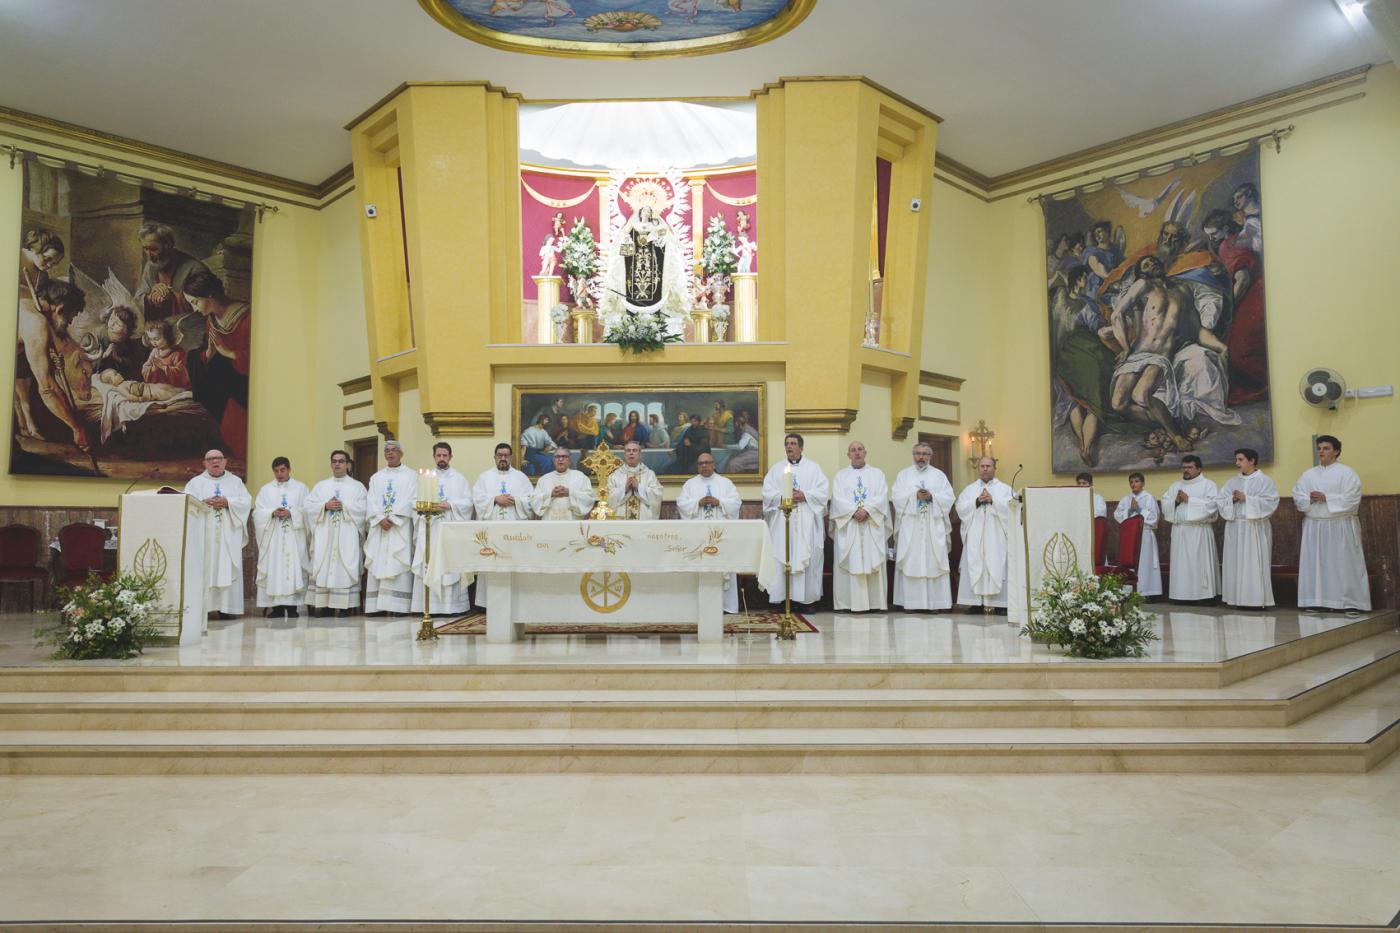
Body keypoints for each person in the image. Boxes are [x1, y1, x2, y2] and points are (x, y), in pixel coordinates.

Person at [1292, 435, 1370, 611]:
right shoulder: (1308, 474)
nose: (1321, 451)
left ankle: (1351, 603)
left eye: (1326, 448)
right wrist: (1309, 499)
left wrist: (1327, 498)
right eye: (1319, 448)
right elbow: (1298, 495)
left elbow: (1352, 498)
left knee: (1344, 564)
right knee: (1317, 565)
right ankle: (1316, 601)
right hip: (1315, 525)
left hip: (1340, 525)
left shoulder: (1347, 473)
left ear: (1336, 451)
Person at [182, 270, 250, 458]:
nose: (194, 309)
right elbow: (209, 351)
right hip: (224, 380)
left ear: (210, 295)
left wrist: (227, 353)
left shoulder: (247, 316)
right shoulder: (211, 321)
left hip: (244, 382)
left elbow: (260, 358)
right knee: (194, 357)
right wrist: (208, 354)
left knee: (220, 364)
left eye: (195, 302)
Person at [760, 433, 829, 607]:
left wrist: (805, 495)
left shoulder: (814, 468)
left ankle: (806, 601)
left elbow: (822, 493)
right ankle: (780, 599)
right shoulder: (776, 469)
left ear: (801, 447)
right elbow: (767, 493)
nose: (789, 447)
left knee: (807, 556)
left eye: (793, 443)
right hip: (782, 521)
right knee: (780, 555)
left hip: (806, 520)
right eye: (787, 444)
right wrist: (786, 495)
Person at [183, 449, 252, 619]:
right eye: (211, 459)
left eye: (219, 459)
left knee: (226, 566)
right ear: (204, 463)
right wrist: (202, 503)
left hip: (228, 536)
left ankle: (226, 608)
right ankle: (203, 609)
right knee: (205, 566)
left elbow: (246, 502)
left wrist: (228, 502)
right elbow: (186, 504)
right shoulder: (195, 483)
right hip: (203, 536)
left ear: (225, 462)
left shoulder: (235, 482)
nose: (215, 462)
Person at [890, 442, 956, 611]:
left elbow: (949, 497)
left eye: (925, 454)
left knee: (933, 562)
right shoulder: (903, 475)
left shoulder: (939, 476)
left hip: (932, 526)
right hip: (911, 527)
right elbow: (896, 497)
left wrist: (932, 496)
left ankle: (935, 604)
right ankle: (910, 603)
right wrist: (915, 496)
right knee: (911, 561)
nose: (921, 457)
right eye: (918, 453)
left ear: (930, 456)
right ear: (913, 455)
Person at [675, 451, 743, 613]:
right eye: (701, 463)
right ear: (697, 466)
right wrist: (697, 503)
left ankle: (727, 606)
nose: (704, 466)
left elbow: (736, 503)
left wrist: (720, 502)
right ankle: (701, 605)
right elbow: (681, 503)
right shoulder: (690, 484)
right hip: (698, 537)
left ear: (714, 464)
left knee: (723, 567)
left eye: (707, 463)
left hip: (721, 537)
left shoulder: (725, 483)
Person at [471, 443, 535, 611]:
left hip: (515, 533)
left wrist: (516, 500)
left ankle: (516, 601)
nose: (503, 458)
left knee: (514, 561)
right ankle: (488, 604)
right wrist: (494, 500)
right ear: (494, 457)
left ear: (512, 457)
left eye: (506, 455)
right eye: (500, 455)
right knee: (491, 562)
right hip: (491, 532)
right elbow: (477, 499)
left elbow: (530, 500)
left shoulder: (521, 477)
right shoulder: (484, 477)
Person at [412, 442, 474, 616]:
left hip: (450, 529)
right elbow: (414, 502)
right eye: (438, 455)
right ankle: (426, 607)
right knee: (429, 561)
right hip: (430, 527)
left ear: (450, 456)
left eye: (444, 455)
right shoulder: (425, 478)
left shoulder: (459, 479)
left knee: (450, 563)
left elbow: (468, 503)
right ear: (434, 457)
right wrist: (428, 507)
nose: (441, 459)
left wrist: (450, 505)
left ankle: (452, 607)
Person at [304, 449, 368, 616]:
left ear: (347, 464)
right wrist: (324, 506)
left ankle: (345, 605)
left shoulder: (357, 487)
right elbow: (309, 507)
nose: (337, 464)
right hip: (326, 536)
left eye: (341, 461)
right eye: (334, 461)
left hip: (346, 536)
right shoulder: (321, 486)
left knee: (345, 565)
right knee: (324, 565)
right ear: (331, 464)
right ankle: (324, 605)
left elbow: (363, 509)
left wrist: (343, 505)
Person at [829, 441, 889, 612]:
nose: (857, 453)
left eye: (860, 449)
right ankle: (847, 604)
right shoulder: (841, 476)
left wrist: (868, 510)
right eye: (853, 450)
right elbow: (838, 499)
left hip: (871, 525)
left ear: (865, 452)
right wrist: (854, 511)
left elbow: (882, 496)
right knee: (850, 560)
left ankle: (875, 603)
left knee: (872, 559)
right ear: (848, 455)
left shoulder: (877, 474)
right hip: (850, 526)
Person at [1216, 448, 1279, 608]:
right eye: (1236, 459)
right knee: (1235, 563)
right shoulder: (1231, 482)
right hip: (1235, 526)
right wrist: (1233, 500)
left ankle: (1255, 600)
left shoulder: (1265, 481)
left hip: (1254, 527)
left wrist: (1247, 499)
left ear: (1252, 461)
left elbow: (1270, 502)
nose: (1237, 463)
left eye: (1240, 459)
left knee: (1254, 564)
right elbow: (1221, 501)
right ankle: (1236, 599)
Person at [955, 457, 1016, 612]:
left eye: (988, 466)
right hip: (975, 535)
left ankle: (1000, 604)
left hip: (996, 537)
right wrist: (976, 501)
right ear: (978, 469)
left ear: (995, 468)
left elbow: (1013, 508)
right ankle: (976, 603)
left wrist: (993, 501)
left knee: (997, 564)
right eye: (982, 466)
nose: (985, 469)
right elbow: (960, 508)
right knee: (975, 563)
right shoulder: (970, 489)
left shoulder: (1005, 489)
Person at [364, 440, 418, 615]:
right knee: (379, 560)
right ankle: (376, 607)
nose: (390, 453)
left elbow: (412, 499)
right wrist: (380, 518)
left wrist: (393, 518)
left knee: (398, 560)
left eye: (394, 450)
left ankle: (399, 607)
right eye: (387, 450)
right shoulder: (376, 477)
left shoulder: (411, 476)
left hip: (399, 527)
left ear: (401, 454)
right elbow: (370, 500)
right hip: (380, 527)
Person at [252, 456, 309, 618]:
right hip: (274, 537)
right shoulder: (266, 490)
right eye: (276, 471)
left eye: (282, 470)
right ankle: (276, 608)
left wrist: (292, 513)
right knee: (275, 568)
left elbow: (308, 510)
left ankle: (293, 608)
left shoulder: (301, 488)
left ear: (289, 469)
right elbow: (258, 513)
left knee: (293, 567)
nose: (279, 474)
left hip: (294, 535)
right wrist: (272, 512)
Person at [1160, 454, 1220, 600]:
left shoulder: (1209, 485)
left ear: (1199, 468)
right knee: (1182, 567)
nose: (1186, 470)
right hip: (1180, 530)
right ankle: (1181, 595)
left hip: (1199, 530)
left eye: (1190, 467)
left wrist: (1190, 500)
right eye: (1184, 467)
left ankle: (1204, 596)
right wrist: (1176, 501)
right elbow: (1165, 504)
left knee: (1200, 565)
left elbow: (1212, 506)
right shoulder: (1176, 486)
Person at [134, 222, 211, 322]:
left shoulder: (195, 268)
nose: (148, 255)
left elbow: (203, 308)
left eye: (153, 249)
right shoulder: (150, 266)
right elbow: (137, 299)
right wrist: (150, 296)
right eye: (145, 249)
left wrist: (170, 295)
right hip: (157, 328)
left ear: (167, 246)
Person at [1114, 472, 1163, 598]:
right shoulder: (1126, 499)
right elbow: (1117, 515)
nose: (1133, 484)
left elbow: (1154, 518)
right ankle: (1130, 592)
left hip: (1145, 535)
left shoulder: (1149, 498)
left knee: (1145, 563)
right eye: (1131, 482)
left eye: (1136, 481)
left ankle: (1148, 592)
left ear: (1143, 483)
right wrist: (1130, 510)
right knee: (1131, 563)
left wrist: (1140, 510)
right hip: (1130, 537)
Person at [531, 447, 595, 521]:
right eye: (557, 457)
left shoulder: (580, 477)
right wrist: (550, 494)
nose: (560, 459)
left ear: (569, 460)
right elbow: (534, 499)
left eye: (564, 456)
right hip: (550, 523)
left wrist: (570, 493)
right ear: (553, 460)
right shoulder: (544, 479)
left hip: (573, 523)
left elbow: (589, 498)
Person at [606, 439, 663, 519]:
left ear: (640, 454)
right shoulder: (615, 476)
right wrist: (624, 490)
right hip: (621, 521)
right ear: (625, 454)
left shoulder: (649, 475)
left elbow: (657, 495)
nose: (631, 453)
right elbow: (608, 497)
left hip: (643, 521)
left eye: (634, 450)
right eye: (628, 450)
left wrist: (639, 488)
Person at [141, 320, 190, 388]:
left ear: (167, 336)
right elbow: (145, 367)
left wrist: (164, 367)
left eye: (156, 339)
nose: (153, 342)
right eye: (151, 339)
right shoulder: (155, 352)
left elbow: (182, 375)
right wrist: (153, 369)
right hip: (157, 385)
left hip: (174, 388)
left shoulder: (177, 353)